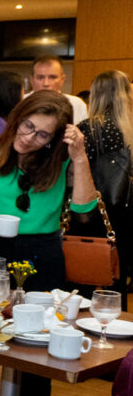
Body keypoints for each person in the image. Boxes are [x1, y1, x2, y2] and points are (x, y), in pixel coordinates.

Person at [0, 91, 96, 396]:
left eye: (42, 135)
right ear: (17, 119)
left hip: (42, 257)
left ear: (53, 140)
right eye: (28, 126)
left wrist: (80, 157)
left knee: (39, 352)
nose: (30, 138)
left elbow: (85, 214)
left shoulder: (61, 165)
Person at [79, 70, 133, 293]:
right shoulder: (129, 129)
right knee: (118, 269)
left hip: (95, 210)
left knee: (87, 273)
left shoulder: (89, 128)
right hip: (127, 211)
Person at [30, 54, 88, 123]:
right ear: (31, 80)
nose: (46, 83)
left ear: (62, 79)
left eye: (52, 77)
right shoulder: (20, 102)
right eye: (40, 77)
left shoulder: (76, 104)